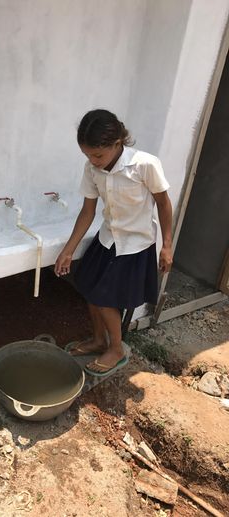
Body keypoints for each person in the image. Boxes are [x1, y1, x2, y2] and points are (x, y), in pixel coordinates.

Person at [54, 109, 173, 377]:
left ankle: (116, 348)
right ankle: (99, 340)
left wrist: (167, 245)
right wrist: (68, 250)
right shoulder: (92, 170)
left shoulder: (144, 165)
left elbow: (164, 205)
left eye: (98, 155)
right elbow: (88, 212)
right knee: (87, 286)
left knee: (105, 299)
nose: (93, 161)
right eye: (87, 155)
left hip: (135, 244)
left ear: (117, 143)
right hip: (108, 239)